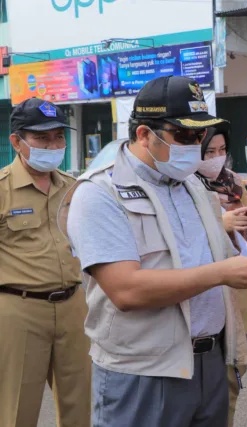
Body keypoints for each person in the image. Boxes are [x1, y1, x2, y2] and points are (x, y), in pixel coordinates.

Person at [60, 76, 247, 427]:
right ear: (144, 134)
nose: (195, 145)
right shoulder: (100, 193)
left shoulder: (192, 186)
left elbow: (220, 257)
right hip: (143, 369)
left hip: (209, 362)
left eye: (199, 136)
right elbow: (126, 290)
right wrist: (222, 274)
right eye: (184, 136)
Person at [0, 98, 91, 427]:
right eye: (42, 139)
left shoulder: (73, 188)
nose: (53, 146)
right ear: (17, 142)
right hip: (19, 310)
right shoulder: (1, 190)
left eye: (58, 137)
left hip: (74, 306)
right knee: (17, 410)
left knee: (82, 405)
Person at [196, 120, 247, 427]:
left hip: (236, 294)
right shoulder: (184, 185)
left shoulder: (233, 182)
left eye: (222, 150)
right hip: (202, 293)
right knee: (200, 387)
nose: (217, 157)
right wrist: (220, 226)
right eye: (209, 151)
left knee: (232, 375)